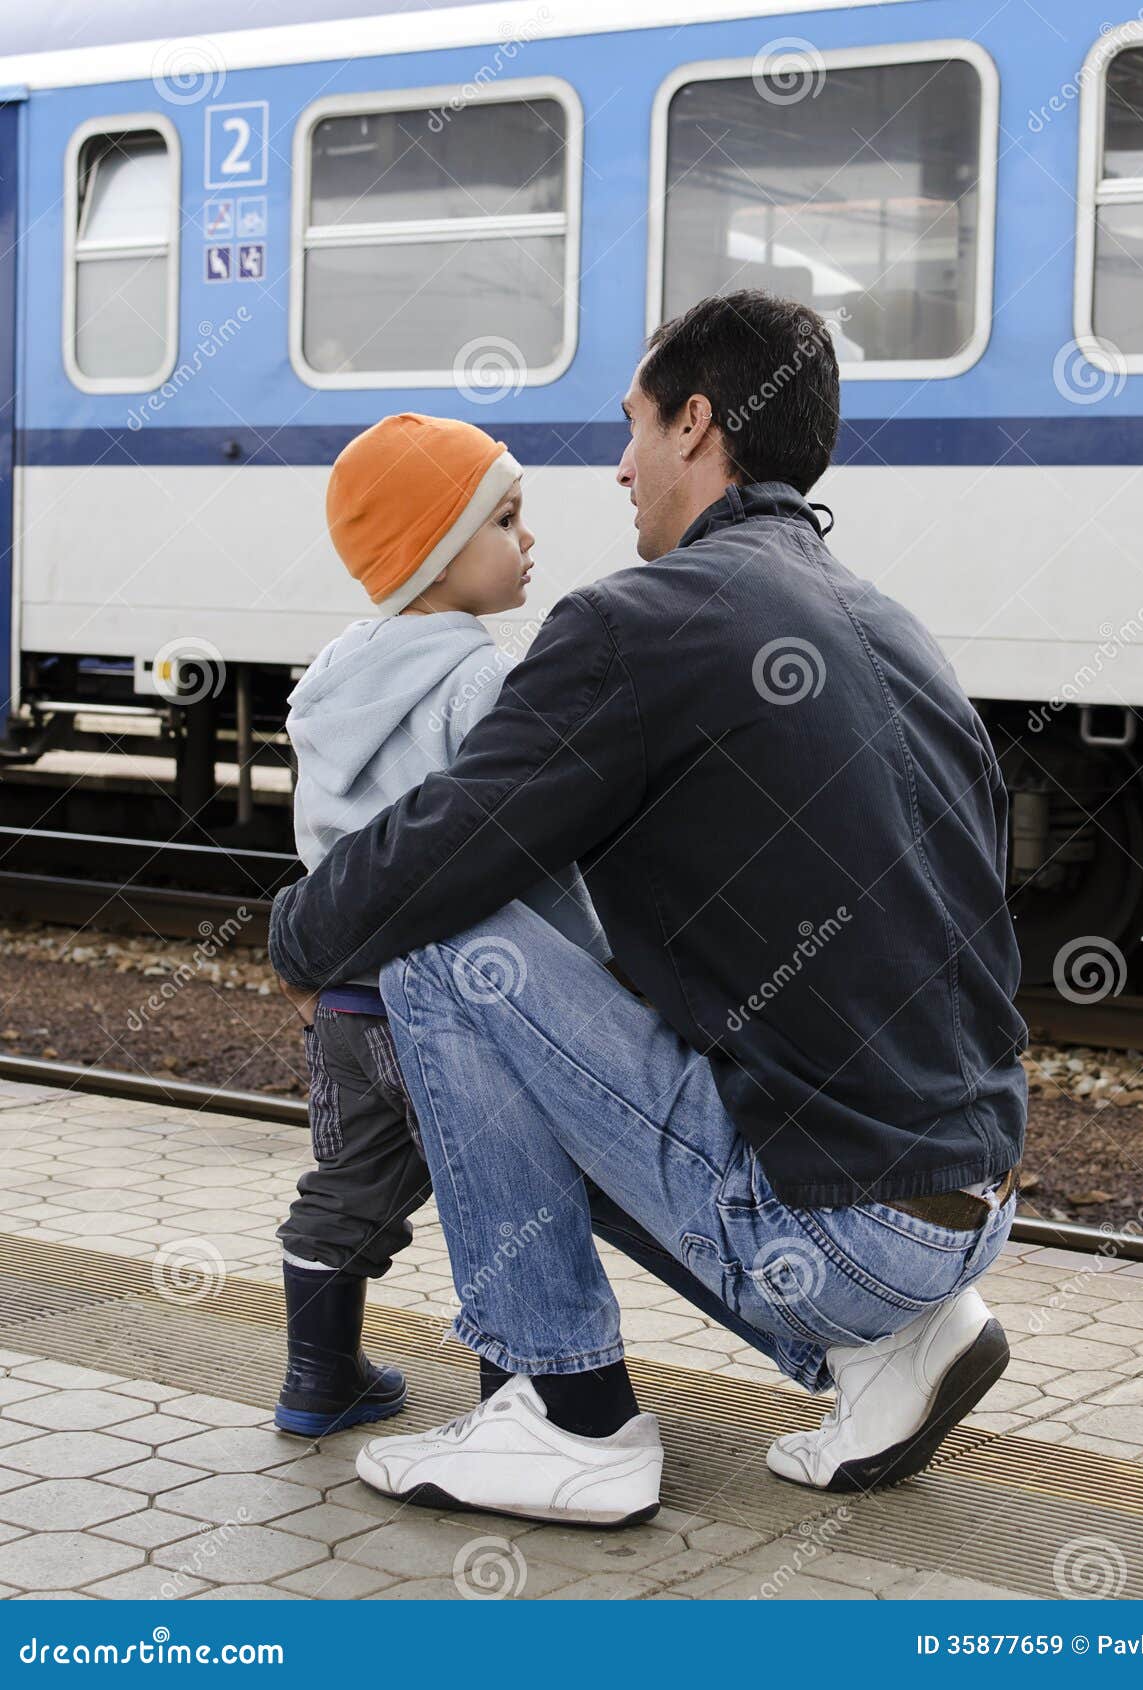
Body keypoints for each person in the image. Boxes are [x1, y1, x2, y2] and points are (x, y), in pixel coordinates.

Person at [269, 291, 1027, 1527]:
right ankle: (899, 1348)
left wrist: (300, 934)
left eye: (630, 428)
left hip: (838, 1238)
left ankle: (566, 1413)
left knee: (441, 945)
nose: (616, 469)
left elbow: (446, 844)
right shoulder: (886, 622)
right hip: (967, 1208)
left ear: (696, 422)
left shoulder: (639, 623)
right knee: (563, 1021)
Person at [273, 412, 606, 1438]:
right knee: (499, 1198)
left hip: (343, 1003)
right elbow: (520, 846)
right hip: (456, 1011)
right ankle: (515, 1402)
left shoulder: (331, 678)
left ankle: (316, 1383)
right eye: (506, 518)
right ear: (433, 549)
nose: (529, 540)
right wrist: (594, 959)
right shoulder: (481, 680)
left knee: (347, 1187)